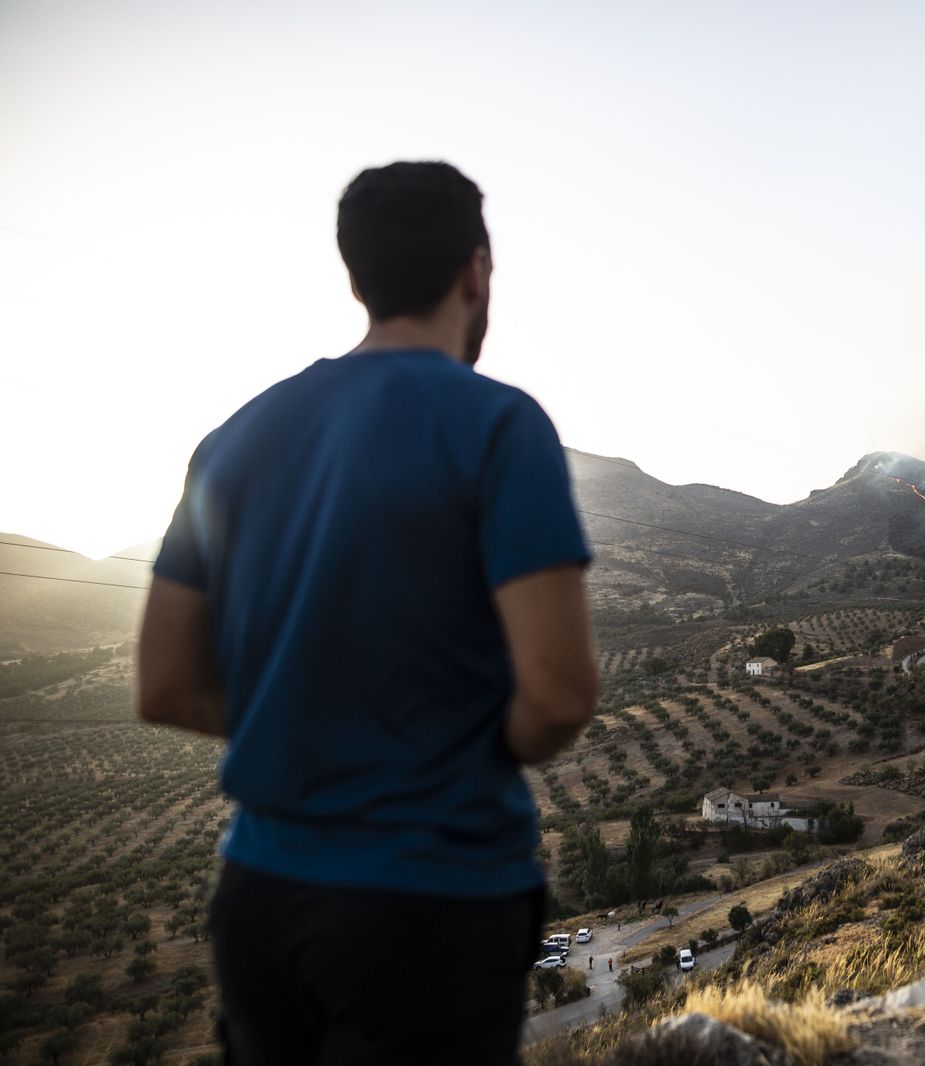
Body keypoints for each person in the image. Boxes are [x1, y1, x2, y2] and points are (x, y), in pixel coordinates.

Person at [136, 160, 599, 1066]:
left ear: (357, 279)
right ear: (476, 273)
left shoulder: (231, 441)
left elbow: (163, 682)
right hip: (433, 907)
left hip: (261, 897)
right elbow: (556, 697)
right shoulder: (500, 427)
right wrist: (430, 744)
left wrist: (310, 728)